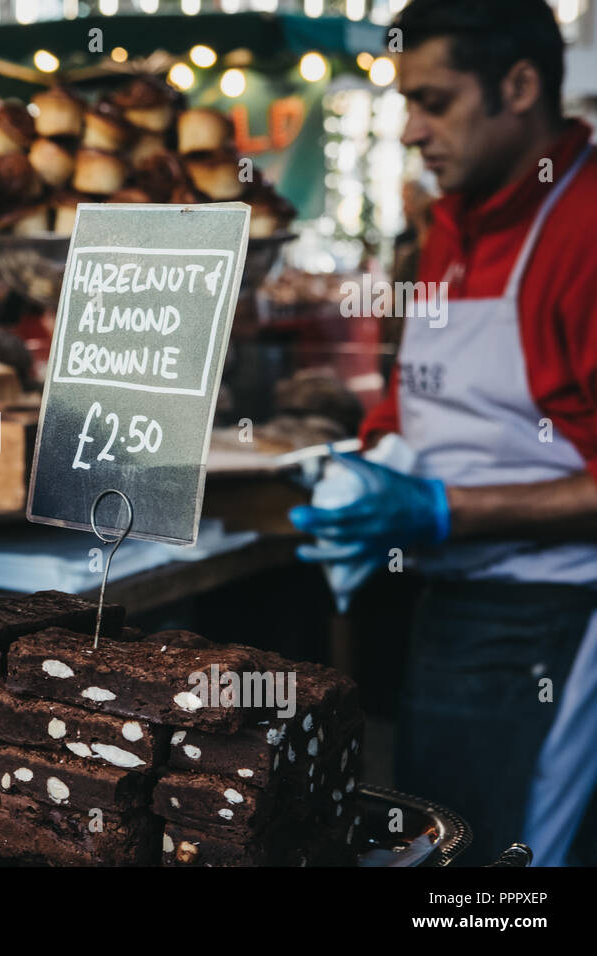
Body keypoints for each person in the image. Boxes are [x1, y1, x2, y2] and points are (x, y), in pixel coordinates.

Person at [289, 0, 597, 866]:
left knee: (504, 871)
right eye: (404, 105)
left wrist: (437, 509)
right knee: (431, 848)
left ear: (520, 85)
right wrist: (373, 463)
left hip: (554, 619)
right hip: (448, 610)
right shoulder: (451, 223)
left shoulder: (583, 228)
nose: (413, 131)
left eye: (434, 101)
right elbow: (414, 391)